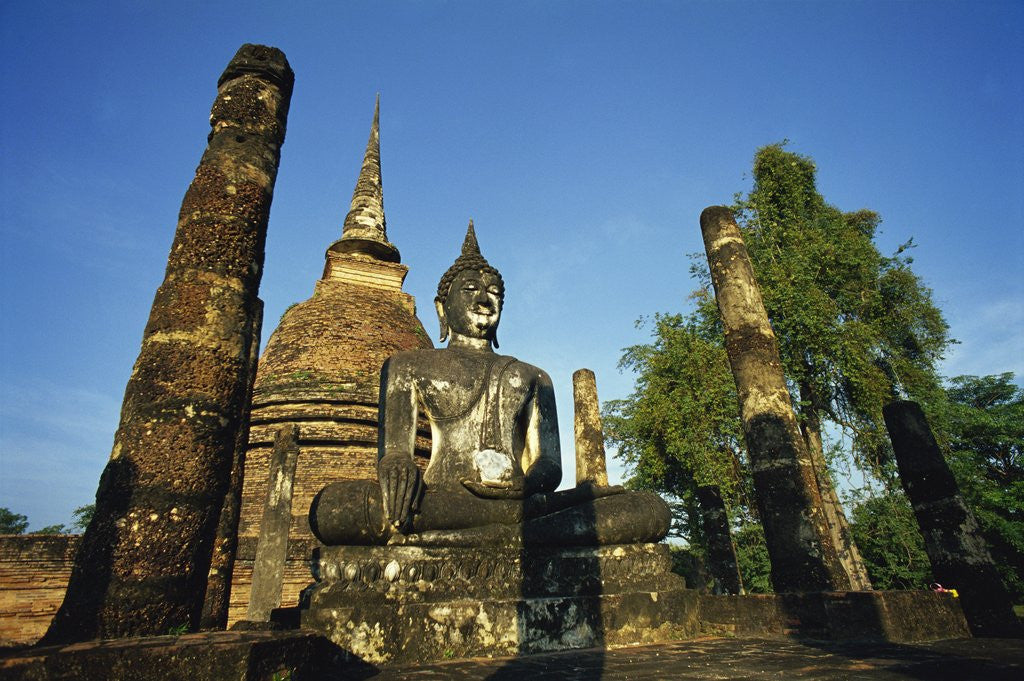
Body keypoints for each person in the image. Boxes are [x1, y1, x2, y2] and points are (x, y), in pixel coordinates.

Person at [310, 223, 669, 547]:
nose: (485, 299)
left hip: (519, 504)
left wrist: (526, 485)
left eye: (494, 291)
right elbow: (396, 452)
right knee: (335, 509)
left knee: (647, 510)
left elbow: (548, 464)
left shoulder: (533, 376)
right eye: (470, 289)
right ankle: (520, 538)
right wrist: (397, 465)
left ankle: (506, 534)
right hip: (436, 501)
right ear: (441, 308)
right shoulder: (408, 365)